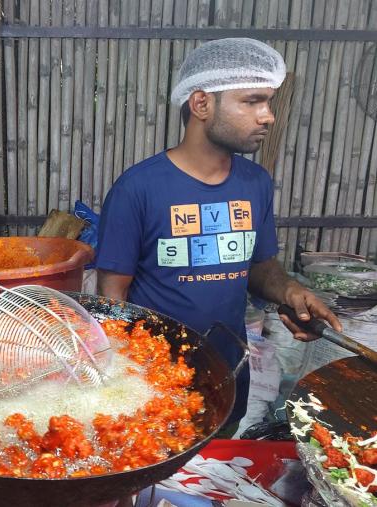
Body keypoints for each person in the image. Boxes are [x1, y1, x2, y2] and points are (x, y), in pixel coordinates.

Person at [95, 38, 341, 428]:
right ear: (201, 104)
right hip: (156, 381)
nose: (268, 117)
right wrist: (125, 375)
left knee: (217, 473)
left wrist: (291, 292)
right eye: (252, 101)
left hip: (228, 371)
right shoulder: (138, 188)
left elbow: (258, 265)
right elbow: (113, 294)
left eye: (269, 103)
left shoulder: (255, 182)